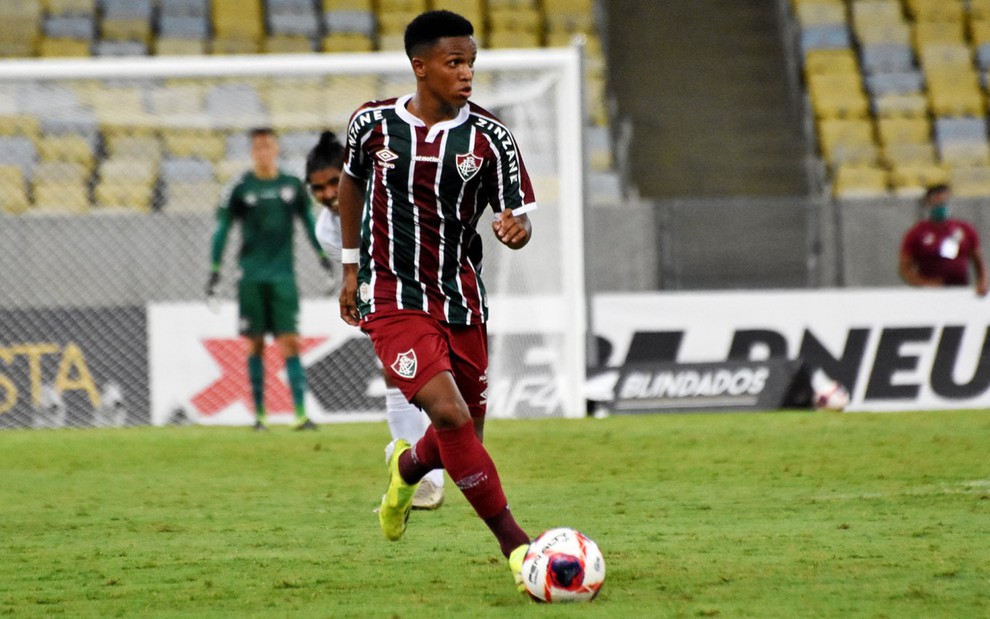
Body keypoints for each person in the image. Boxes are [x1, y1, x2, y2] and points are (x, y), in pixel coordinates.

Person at [336, 10, 535, 592]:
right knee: (448, 415)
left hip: (461, 298)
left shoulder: (490, 137)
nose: (467, 73)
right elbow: (350, 181)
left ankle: (405, 469)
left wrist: (515, 229)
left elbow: (514, 215)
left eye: (471, 62)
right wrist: (350, 270)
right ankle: (519, 548)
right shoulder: (371, 125)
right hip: (393, 296)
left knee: (464, 437)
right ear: (419, 67)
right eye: (455, 63)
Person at [306, 130, 445, 510]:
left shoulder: (388, 192)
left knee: (447, 388)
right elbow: (366, 272)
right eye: (317, 188)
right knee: (395, 370)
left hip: (437, 280)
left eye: (335, 181)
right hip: (392, 294)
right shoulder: (325, 230)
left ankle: (424, 466)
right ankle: (423, 478)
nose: (328, 193)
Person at [207, 127, 332, 431]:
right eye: (258, 147)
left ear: (276, 149)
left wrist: (323, 258)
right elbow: (223, 228)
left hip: (283, 277)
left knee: (290, 342)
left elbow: (308, 222)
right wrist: (214, 270)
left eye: (268, 146)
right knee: (255, 344)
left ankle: (300, 414)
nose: (264, 152)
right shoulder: (239, 187)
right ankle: (260, 416)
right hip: (250, 276)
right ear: (252, 151)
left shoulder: (291, 184)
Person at [899, 184, 988, 296]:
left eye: (944, 202)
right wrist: (923, 284)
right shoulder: (917, 233)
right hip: (929, 293)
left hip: (960, 291)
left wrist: (982, 282)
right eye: (937, 203)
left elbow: (979, 261)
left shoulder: (965, 229)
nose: (940, 206)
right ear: (928, 204)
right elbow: (905, 268)